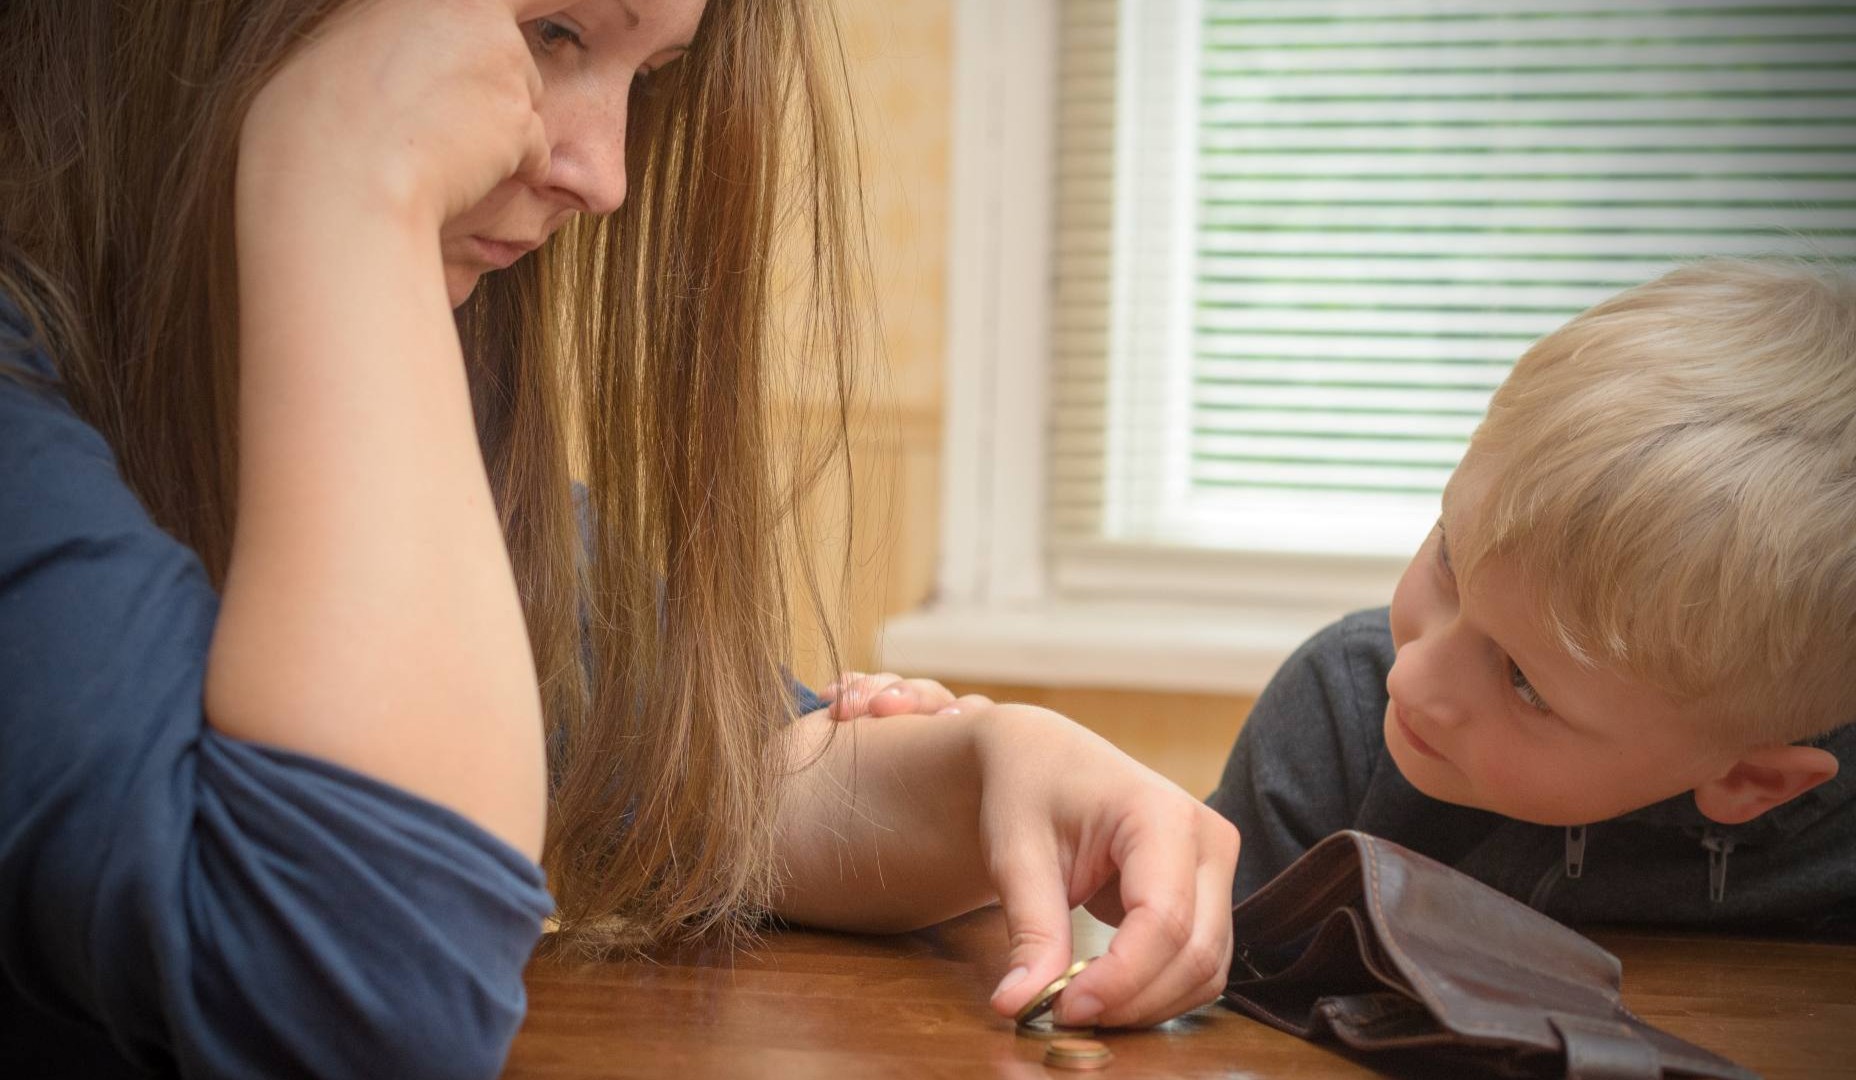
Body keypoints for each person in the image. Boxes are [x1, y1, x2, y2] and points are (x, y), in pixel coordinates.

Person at [0, 2, 1238, 1076]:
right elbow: (371, 1004)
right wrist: (343, 176)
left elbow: (708, 780)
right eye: (553, 34)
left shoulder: (441, 437)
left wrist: (993, 768)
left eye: (649, 76)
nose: (605, 175)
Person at [1209, 259, 1856, 941]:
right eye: (1450, 558)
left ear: (1747, 778)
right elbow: (1221, 984)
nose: (1411, 679)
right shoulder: (1337, 721)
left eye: (1524, 682)